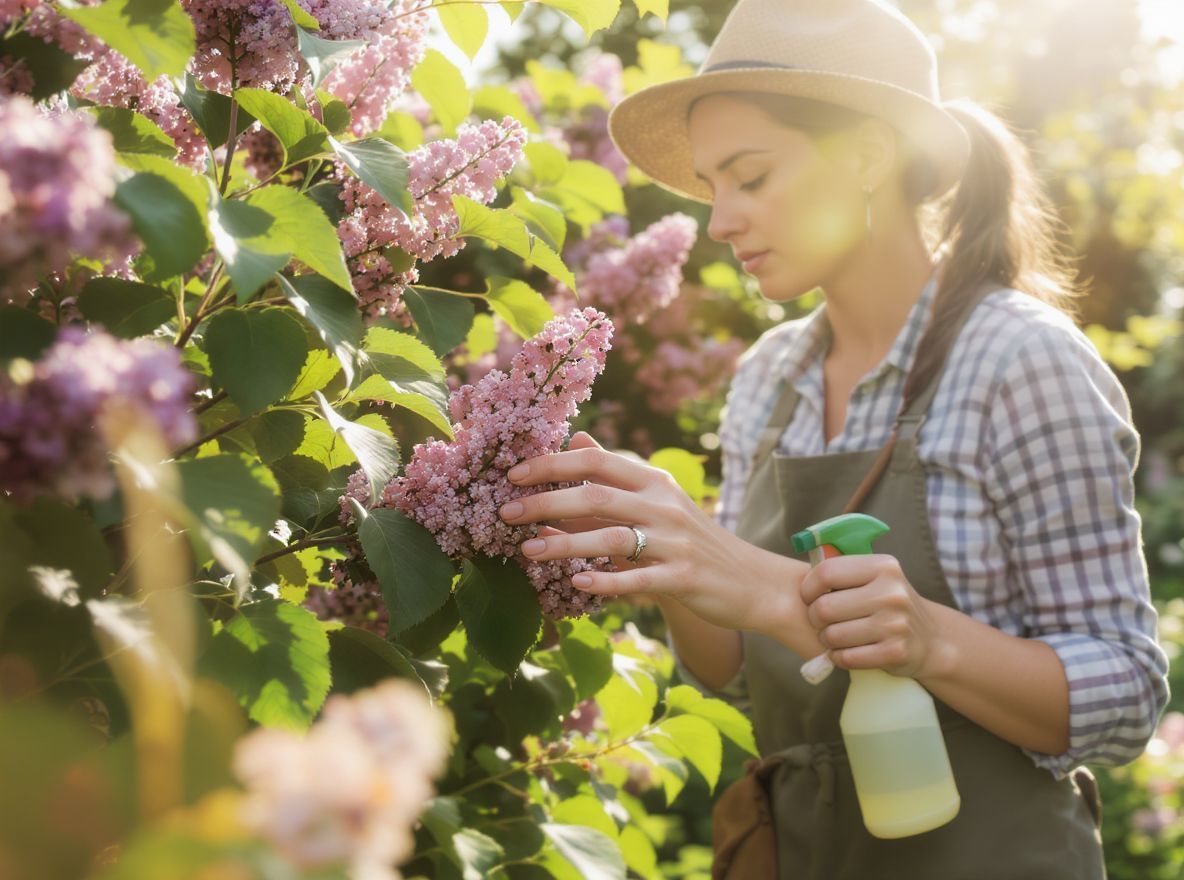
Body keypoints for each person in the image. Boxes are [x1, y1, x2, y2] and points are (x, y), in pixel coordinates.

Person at [496, 0, 1171, 876]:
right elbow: (739, 671)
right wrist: (664, 553)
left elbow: (1124, 692)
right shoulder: (769, 377)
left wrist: (929, 640)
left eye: (751, 176)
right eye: (712, 187)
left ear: (866, 156)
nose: (720, 223)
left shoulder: (1020, 360)